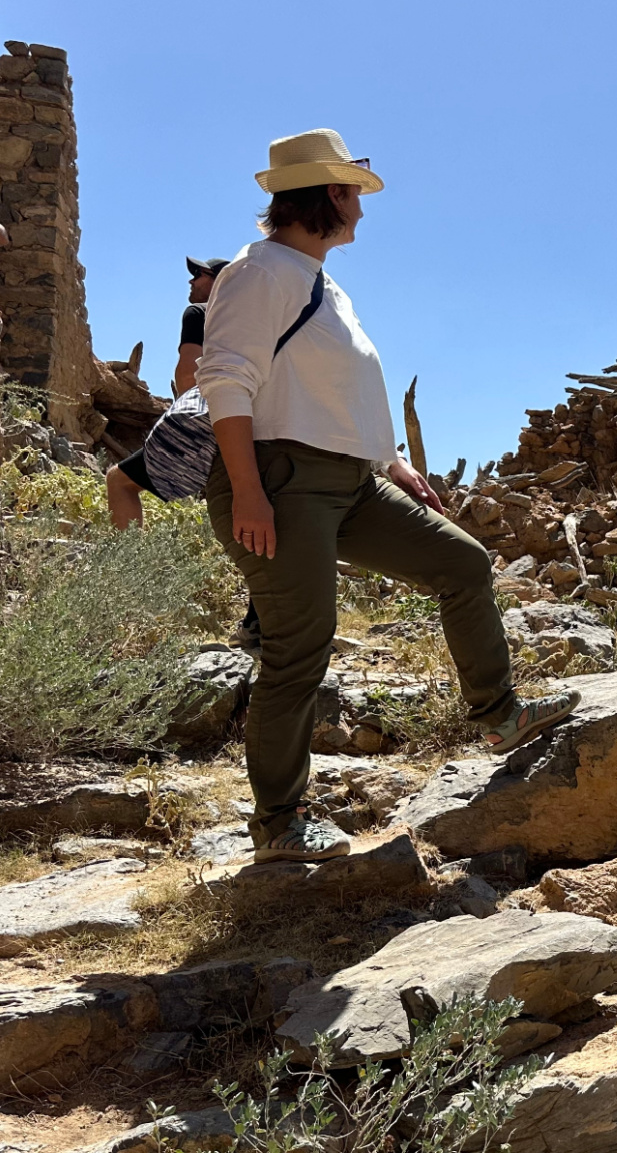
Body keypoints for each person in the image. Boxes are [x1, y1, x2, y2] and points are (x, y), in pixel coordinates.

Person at [198, 129, 580, 863]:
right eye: (354, 196)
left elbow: (339, 390)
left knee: (462, 565)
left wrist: (394, 462)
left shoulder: (322, 283)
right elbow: (226, 381)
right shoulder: (257, 273)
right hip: (282, 481)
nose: (363, 213)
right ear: (329, 196)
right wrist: (247, 489)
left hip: (352, 480)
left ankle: (500, 717)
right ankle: (278, 824)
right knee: (297, 649)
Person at [105, 256, 264, 653]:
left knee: (119, 481)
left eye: (200, 275)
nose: (192, 282)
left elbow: (188, 374)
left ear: (220, 282)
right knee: (256, 519)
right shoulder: (259, 325)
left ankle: (129, 586)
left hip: (208, 427)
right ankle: (261, 619)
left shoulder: (201, 313)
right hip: (257, 427)